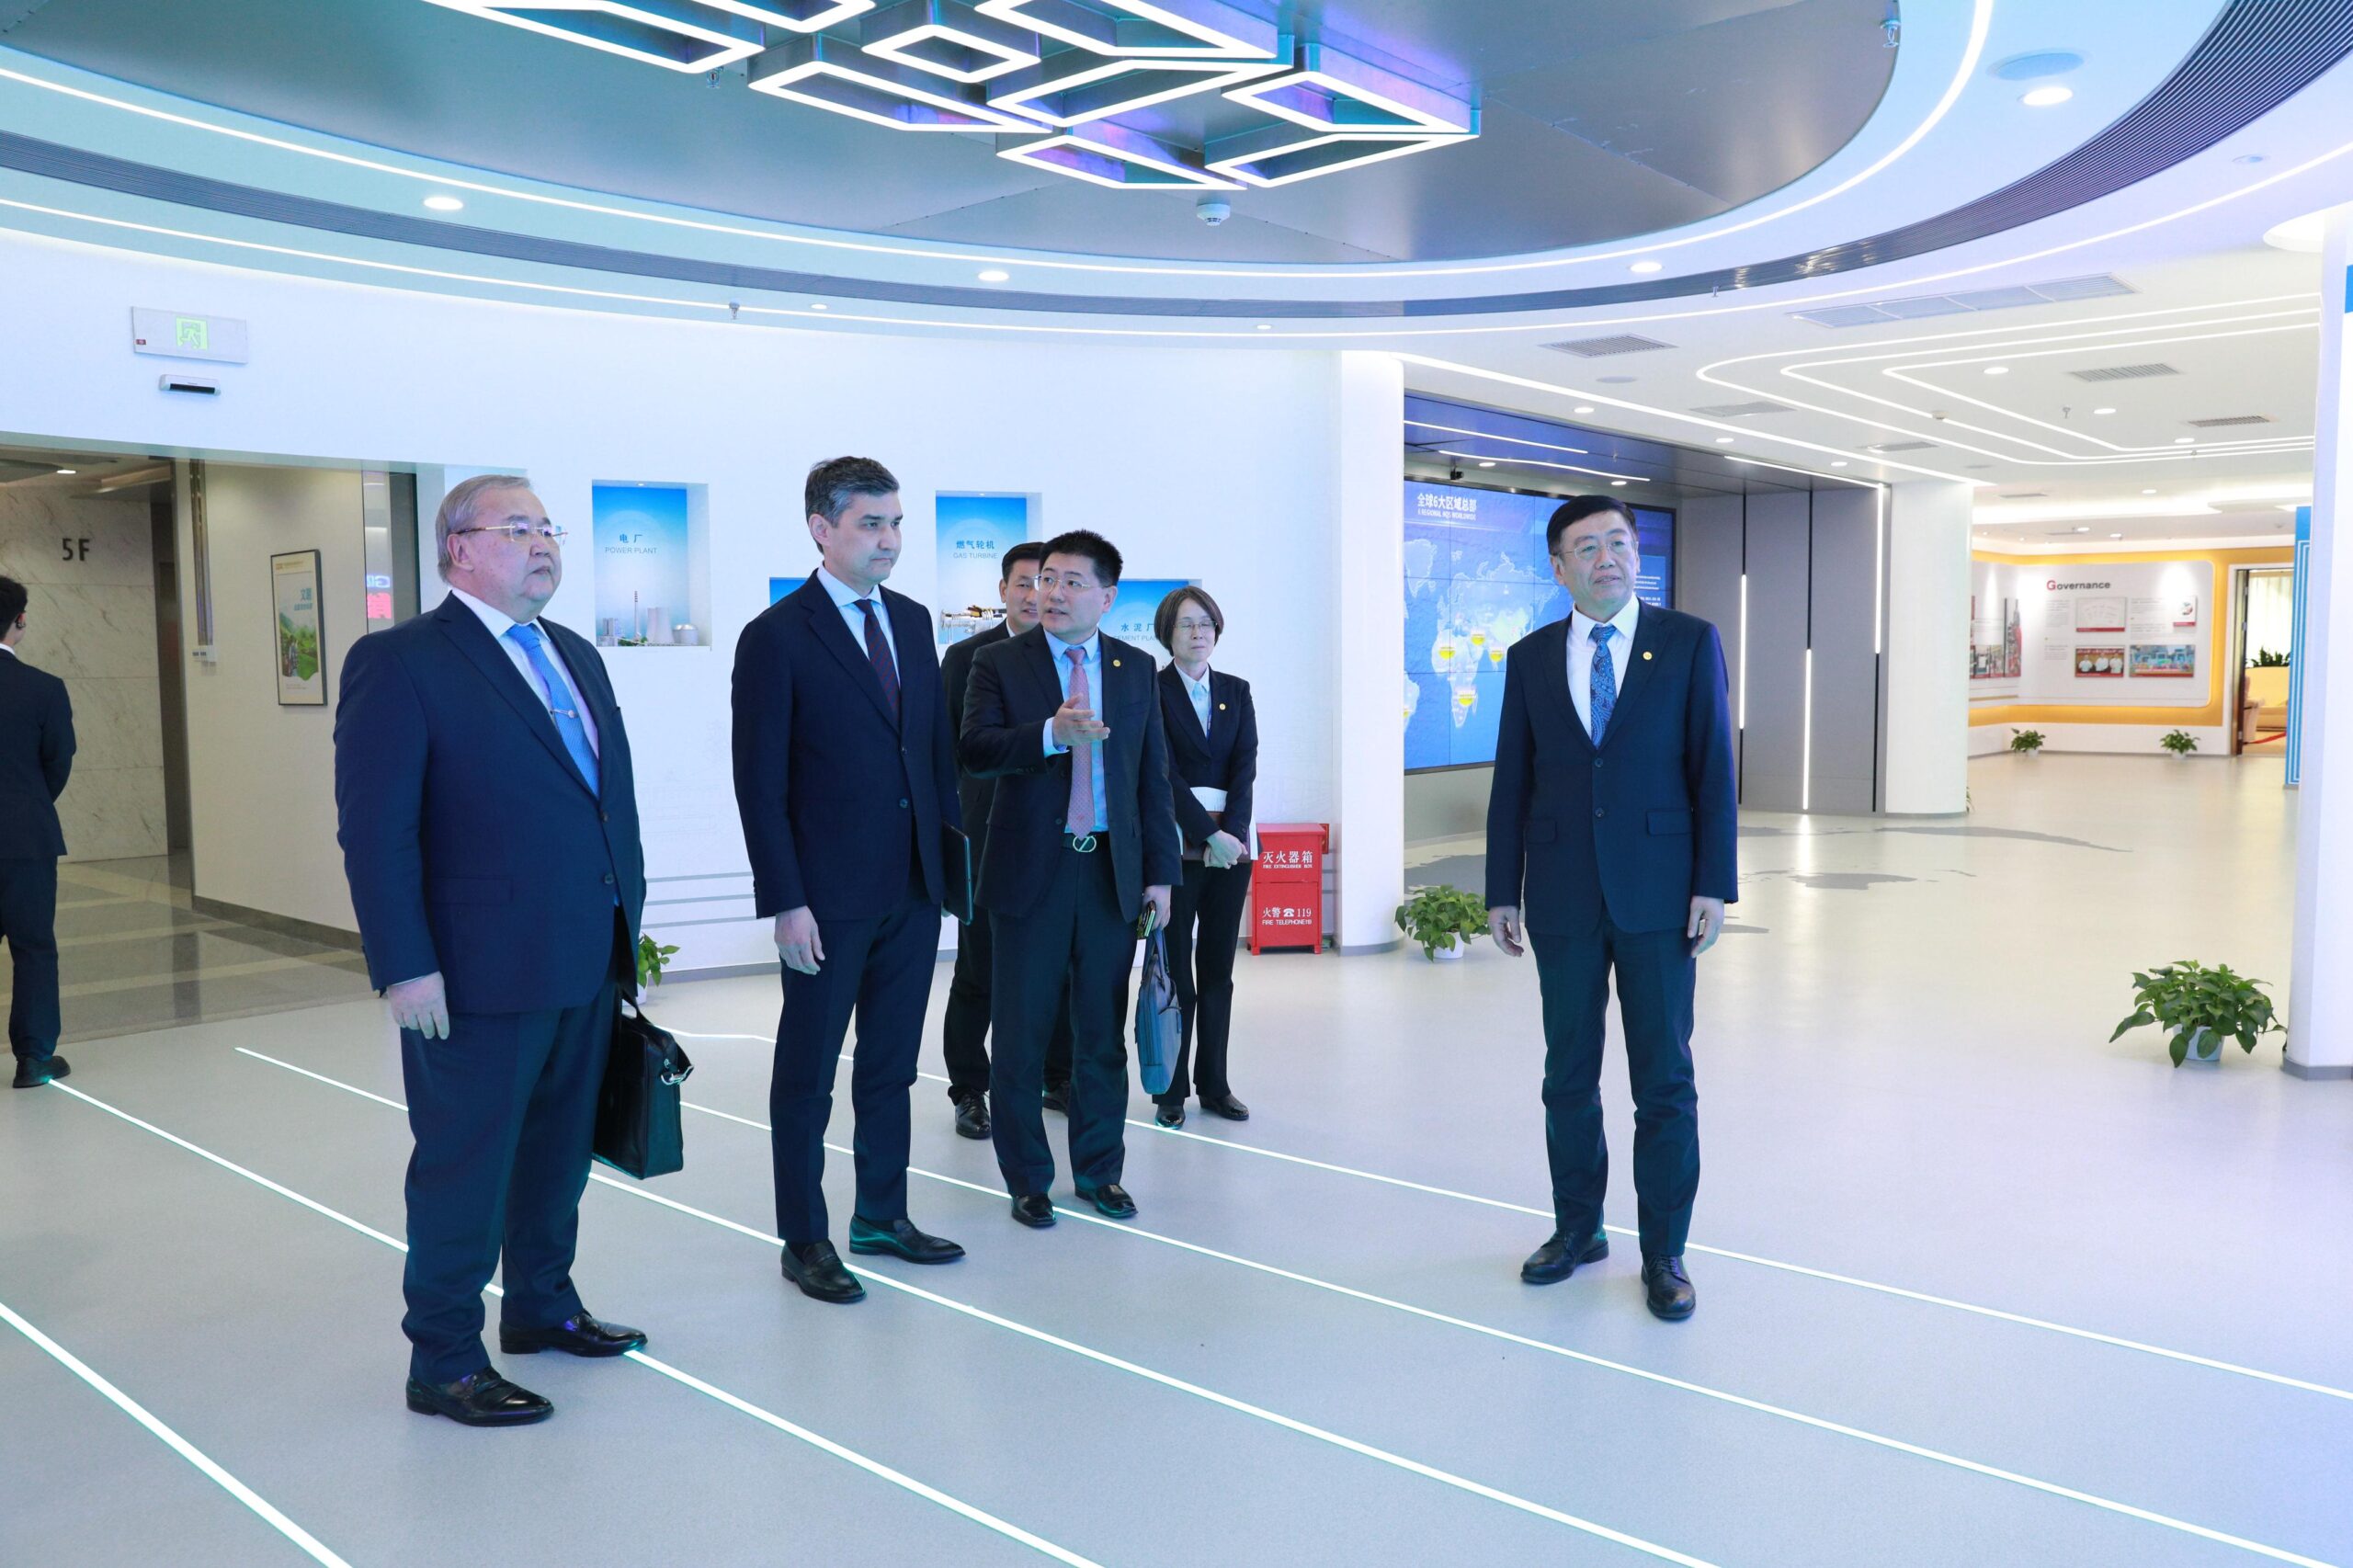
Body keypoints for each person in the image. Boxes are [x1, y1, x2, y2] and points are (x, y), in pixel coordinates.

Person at [335, 476, 649, 1427]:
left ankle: (542, 1304)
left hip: (583, 954)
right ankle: (443, 1358)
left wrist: (624, 928)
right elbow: (375, 830)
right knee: (464, 1166)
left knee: (559, 1153)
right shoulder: (401, 661)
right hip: (473, 969)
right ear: (459, 548)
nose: (542, 543)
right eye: (518, 528)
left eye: (548, 529)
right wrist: (404, 963)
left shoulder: (574, 653)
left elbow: (600, 803)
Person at [1483, 495, 1736, 1323]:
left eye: (1619, 542)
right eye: (1586, 548)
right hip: (1562, 895)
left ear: (1636, 554)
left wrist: (1713, 882)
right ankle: (1578, 1229)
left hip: (1661, 894)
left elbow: (1713, 769)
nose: (1607, 559)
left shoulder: (1689, 642)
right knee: (1568, 1075)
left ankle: (1664, 1252)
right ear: (1559, 568)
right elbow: (1512, 782)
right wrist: (1501, 888)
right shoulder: (1529, 658)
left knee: (1664, 1081)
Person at [733, 457, 965, 1304]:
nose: (889, 540)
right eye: (871, 524)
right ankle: (805, 1238)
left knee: (892, 1067)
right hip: (825, 900)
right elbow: (759, 784)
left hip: (912, 886)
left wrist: (948, 871)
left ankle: (881, 1215)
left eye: (896, 523)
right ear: (821, 529)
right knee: (808, 1075)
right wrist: (786, 901)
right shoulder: (777, 636)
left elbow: (931, 756)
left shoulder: (911, 621)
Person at [961, 528, 1179, 1226]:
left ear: (1107, 597)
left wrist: (1160, 875)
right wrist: (1051, 734)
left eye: (1070, 582)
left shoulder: (1134, 669)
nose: (1050, 593)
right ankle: (1027, 1178)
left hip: (1111, 872)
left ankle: (1099, 1173)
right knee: (1020, 1035)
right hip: (1032, 870)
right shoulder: (999, 661)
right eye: (1044, 579)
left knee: (1100, 1035)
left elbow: (1152, 777)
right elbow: (974, 749)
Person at [937, 542, 1073, 1140]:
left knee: (1060, 967)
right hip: (986, 835)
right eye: (1025, 583)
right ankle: (969, 1088)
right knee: (979, 969)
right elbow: (948, 751)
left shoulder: (1071, 656)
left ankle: (1058, 1076)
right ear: (1003, 591)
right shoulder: (967, 658)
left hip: (1057, 836)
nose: (1037, 594)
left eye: (1048, 582)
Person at [1151, 585, 1257, 1130]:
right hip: (1176, 848)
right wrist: (1206, 834)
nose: (1198, 634)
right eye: (1187, 624)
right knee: (1176, 975)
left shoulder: (1236, 691)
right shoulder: (1151, 689)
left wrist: (1231, 837)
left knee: (1218, 973)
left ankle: (1215, 1085)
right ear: (1167, 632)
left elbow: (1245, 768)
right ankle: (1170, 1090)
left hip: (1230, 854)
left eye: (1206, 624)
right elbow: (1161, 772)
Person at [0, 575, 74, 1090]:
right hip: (26, 839)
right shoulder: (45, 689)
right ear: (19, 621)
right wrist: (28, 804)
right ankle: (34, 1058)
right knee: (33, 948)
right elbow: (58, 761)